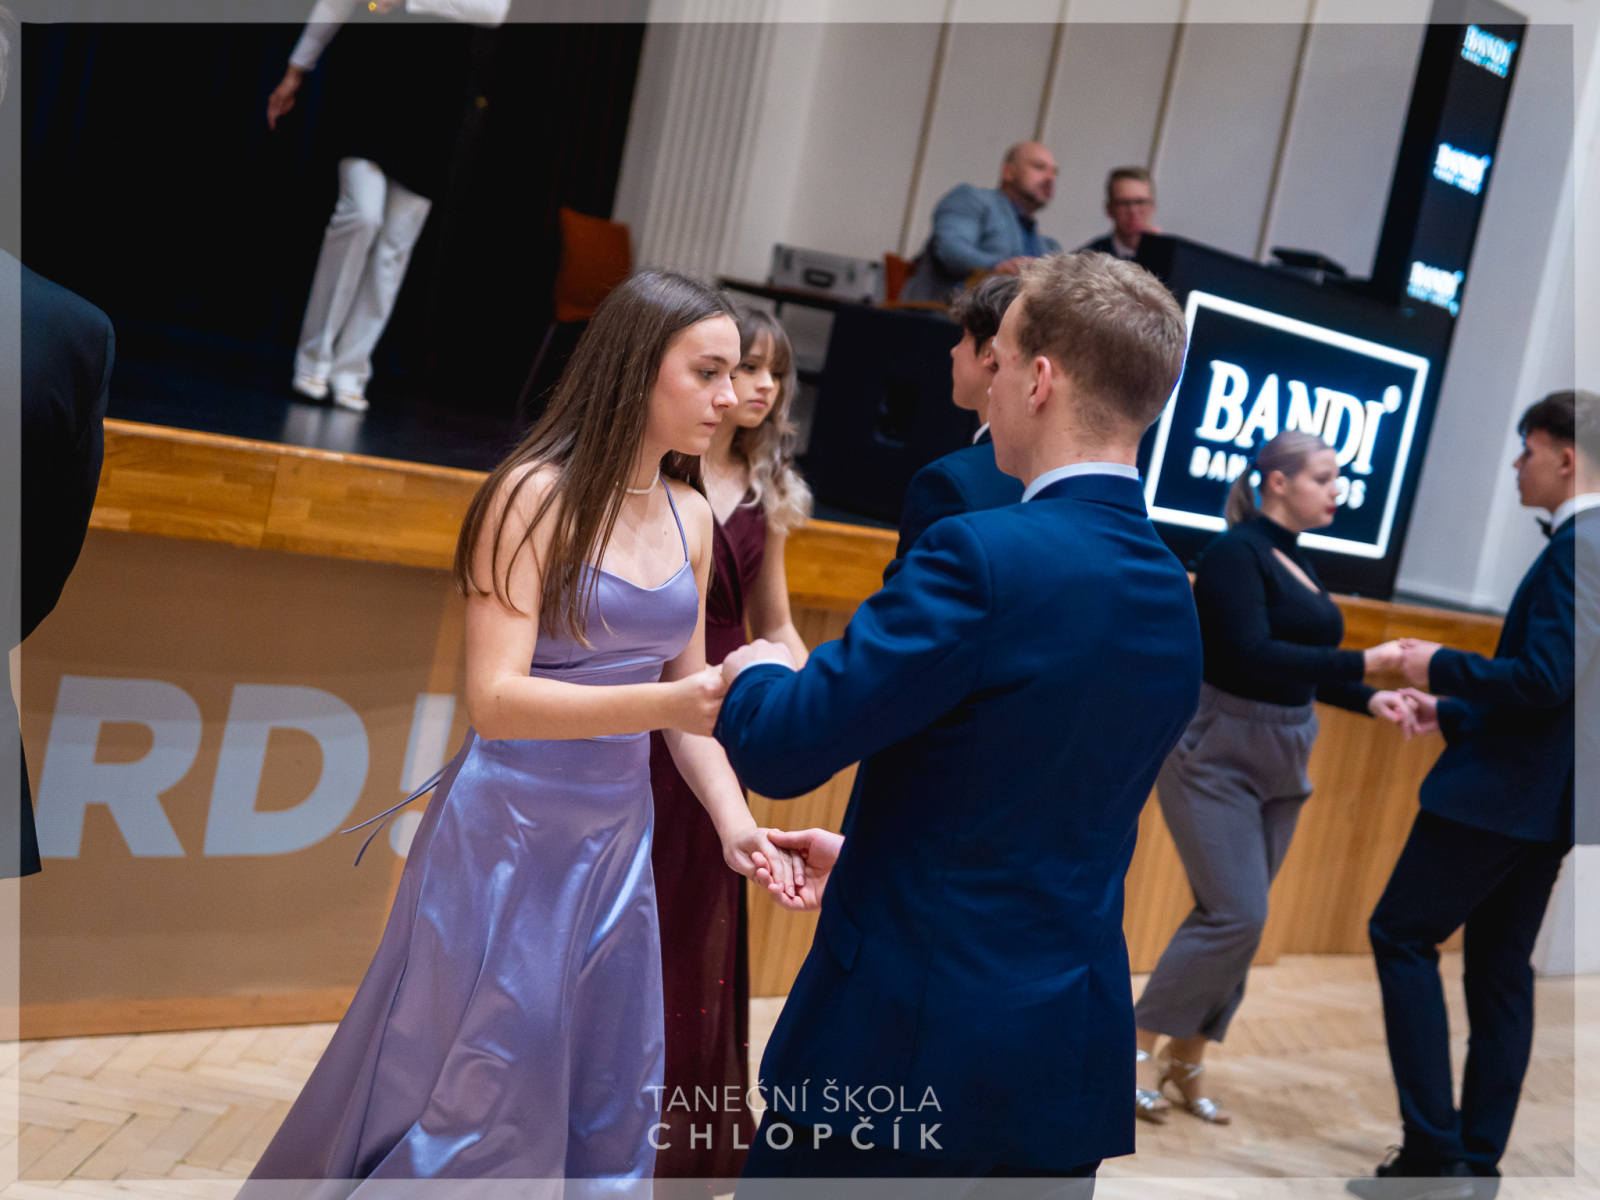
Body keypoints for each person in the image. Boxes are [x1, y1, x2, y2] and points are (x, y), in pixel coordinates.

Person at [247, 270, 799, 1186]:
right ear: (636, 369)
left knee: (604, 1090)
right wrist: (673, 705)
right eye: (707, 373)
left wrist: (736, 826)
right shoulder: (533, 496)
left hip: (616, 841)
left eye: (733, 373)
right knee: (476, 1088)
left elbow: (687, 705)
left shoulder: (693, 514)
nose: (730, 395)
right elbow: (498, 702)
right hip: (507, 837)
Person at [714, 250, 1202, 1190]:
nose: (992, 382)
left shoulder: (978, 556)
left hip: (909, 1043)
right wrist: (877, 856)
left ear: (1040, 380)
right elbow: (1034, 797)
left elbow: (783, 744)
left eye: (1002, 358)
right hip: (1059, 1062)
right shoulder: (1173, 593)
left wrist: (753, 670)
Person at [1131, 431, 1414, 1126]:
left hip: (1284, 750)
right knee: (1237, 914)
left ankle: (1187, 1058)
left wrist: (1366, 698)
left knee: (1242, 921)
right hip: (1216, 748)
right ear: (1278, 482)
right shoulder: (1235, 554)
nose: (1337, 490)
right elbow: (1250, 654)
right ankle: (1130, 1047)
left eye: (1338, 477)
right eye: (1323, 477)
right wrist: (1366, 664)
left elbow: (1300, 665)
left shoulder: (1296, 558)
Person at [1351, 391, 1586, 1198]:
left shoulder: (1579, 550)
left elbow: (1546, 681)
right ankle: (1475, 1165)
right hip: (1550, 802)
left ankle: (1432, 1157)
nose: (1517, 465)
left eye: (1528, 449)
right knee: (1499, 973)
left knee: (1400, 934)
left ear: (1566, 457)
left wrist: (1437, 666)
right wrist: (1450, 710)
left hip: (1498, 799)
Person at [647, 305, 812, 1183]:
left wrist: (809, 688)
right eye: (745, 366)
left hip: (721, 715)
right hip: (650, 697)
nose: (760, 387)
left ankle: (677, 1134)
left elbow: (773, 622)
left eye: (774, 373)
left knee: (696, 916)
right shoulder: (663, 468)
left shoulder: (765, 492)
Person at [266, 0, 491, 411]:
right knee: (361, 216)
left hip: (436, 96)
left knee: (395, 245)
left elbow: (493, 10)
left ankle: (351, 368)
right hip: (374, 75)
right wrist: (296, 69)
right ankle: (314, 357)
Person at [884, 273, 1024, 582]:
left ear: (990, 352)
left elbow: (909, 604)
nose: (953, 350)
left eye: (963, 336)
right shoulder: (1060, 472)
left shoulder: (950, 483)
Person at [900, 142, 1062, 303]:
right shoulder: (972, 199)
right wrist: (999, 268)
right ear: (1009, 172)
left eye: (1054, 172)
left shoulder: (1047, 245)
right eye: (1039, 167)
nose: (1050, 178)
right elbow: (950, 249)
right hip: (947, 312)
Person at [1077, 167, 1161, 260]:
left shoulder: (1169, 255)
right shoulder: (1085, 260)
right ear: (1109, 208)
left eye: (1140, 202)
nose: (1133, 210)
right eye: (1123, 203)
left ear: (1153, 206)